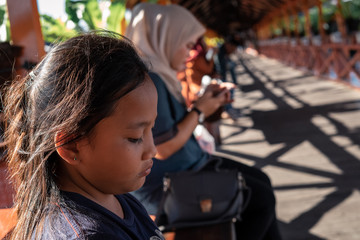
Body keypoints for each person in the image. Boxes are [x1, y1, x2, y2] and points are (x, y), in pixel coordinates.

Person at [126, 3, 282, 240]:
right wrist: (200, 110)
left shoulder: (157, 74)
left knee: (261, 184)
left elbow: (173, 123)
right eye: (187, 46)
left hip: (187, 166)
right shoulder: (150, 79)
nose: (190, 55)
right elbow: (163, 148)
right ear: (165, 38)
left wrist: (206, 102)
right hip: (168, 184)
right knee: (261, 200)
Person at [3, 31, 165, 240]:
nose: (152, 149)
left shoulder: (116, 199)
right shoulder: (88, 235)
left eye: (151, 129)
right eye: (135, 137)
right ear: (71, 145)